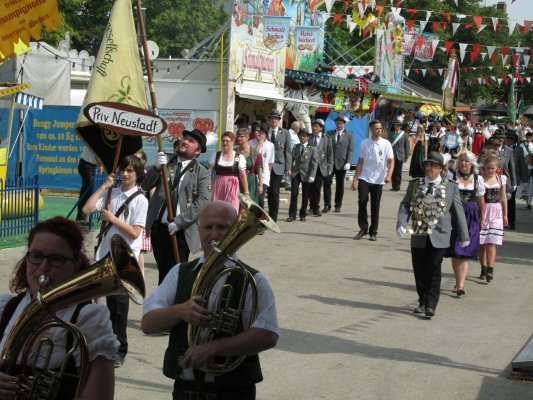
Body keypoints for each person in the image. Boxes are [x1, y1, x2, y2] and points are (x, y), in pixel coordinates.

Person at [141, 201, 279, 400]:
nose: (214, 234)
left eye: (222, 227)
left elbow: (267, 334)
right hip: (185, 389)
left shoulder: (254, 280)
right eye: (208, 227)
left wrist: (213, 348)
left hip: (234, 391)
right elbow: (147, 324)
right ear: (199, 230)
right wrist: (180, 311)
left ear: (235, 230)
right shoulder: (180, 273)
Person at [0, 217, 118, 399]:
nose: (43, 267)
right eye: (36, 256)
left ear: (76, 265)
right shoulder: (6, 307)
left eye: (56, 259)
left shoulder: (88, 318)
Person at [83, 155, 148, 367]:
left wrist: (112, 219)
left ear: (138, 174)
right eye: (123, 170)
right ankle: (97, 343)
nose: (126, 174)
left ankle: (120, 348)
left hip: (124, 258)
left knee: (118, 306)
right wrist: (104, 186)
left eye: (130, 171)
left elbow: (135, 232)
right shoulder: (112, 193)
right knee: (95, 301)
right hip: (104, 254)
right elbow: (87, 209)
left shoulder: (141, 200)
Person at [396, 152, 469, 318]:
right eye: (427, 165)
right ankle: (422, 300)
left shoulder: (451, 186)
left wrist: (464, 235)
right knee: (419, 269)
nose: (429, 168)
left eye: (433, 165)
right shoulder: (415, 184)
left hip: (440, 234)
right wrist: (401, 223)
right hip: (419, 233)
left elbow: (458, 211)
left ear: (441, 169)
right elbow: (405, 204)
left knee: (434, 268)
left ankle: (431, 305)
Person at [143, 130, 210, 284]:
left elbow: (202, 201)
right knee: (163, 272)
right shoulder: (166, 164)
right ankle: (162, 298)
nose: (185, 141)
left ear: (198, 151)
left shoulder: (202, 171)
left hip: (181, 230)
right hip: (159, 228)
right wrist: (156, 168)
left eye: (191, 141)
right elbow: (145, 185)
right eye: (185, 138)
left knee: (175, 275)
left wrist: (179, 222)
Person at [445, 151, 485, 296]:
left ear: (472, 163)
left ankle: (461, 285)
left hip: (471, 217)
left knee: (465, 252)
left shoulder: (477, 179)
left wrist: (482, 219)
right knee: (455, 252)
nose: (463, 163)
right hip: (455, 216)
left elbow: (481, 200)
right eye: (461, 160)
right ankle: (458, 282)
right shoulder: (452, 176)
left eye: (466, 161)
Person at [351, 120, 394, 242]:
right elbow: (360, 161)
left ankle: (373, 231)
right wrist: (355, 179)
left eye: (380, 128)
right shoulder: (364, 143)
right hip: (365, 177)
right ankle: (363, 228)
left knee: (375, 205)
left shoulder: (386, 143)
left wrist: (389, 175)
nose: (379, 130)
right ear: (371, 130)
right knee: (362, 201)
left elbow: (391, 161)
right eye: (376, 128)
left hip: (378, 179)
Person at [479, 153, 508, 283]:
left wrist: (505, 215)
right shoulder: (480, 179)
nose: (491, 171)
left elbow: (503, 197)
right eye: (488, 168)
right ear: (484, 168)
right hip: (483, 211)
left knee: (492, 241)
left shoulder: (501, 179)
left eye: (493, 168)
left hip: (496, 211)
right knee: (482, 242)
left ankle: (490, 268)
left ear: (496, 168)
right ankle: (483, 267)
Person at [210, 131, 249, 211]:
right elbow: (209, 172)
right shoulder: (216, 156)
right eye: (223, 141)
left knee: (232, 209)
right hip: (218, 187)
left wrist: (246, 192)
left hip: (233, 188)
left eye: (227, 141)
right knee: (217, 210)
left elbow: (243, 176)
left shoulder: (239, 157)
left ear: (232, 142)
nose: (225, 143)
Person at [323, 114, 354, 213]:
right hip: (330, 163)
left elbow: (350, 150)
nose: (339, 125)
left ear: (344, 124)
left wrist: (348, 162)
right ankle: (327, 204)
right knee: (327, 182)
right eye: (337, 124)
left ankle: (338, 205)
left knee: (340, 185)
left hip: (342, 163)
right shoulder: (330, 133)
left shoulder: (349, 135)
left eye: (341, 124)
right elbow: (325, 148)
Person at [485, 130, 516, 228]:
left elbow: (511, 167)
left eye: (503, 138)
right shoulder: (487, 149)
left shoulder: (508, 150)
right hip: (489, 179)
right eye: (499, 137)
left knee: (505, 201)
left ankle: (508, 221)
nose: (501, 139)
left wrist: (514, 182)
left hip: (504, 180)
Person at [286, 130, 318, 222]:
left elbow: (314, 162)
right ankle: (292, 215)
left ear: (308, 137)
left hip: (307, 174)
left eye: (304, 136)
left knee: (305, 195)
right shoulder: (296, 147)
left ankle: (302, 214)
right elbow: (291, 159)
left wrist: (312, 175)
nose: (302, 137)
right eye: (300, 136)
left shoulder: (312, 148)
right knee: (294, 193)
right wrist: (289, 169)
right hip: (296, 172)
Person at [266, 109, 292, 222]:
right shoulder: (265, 132)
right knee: (267, 191)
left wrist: (288, 168)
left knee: (274, 190)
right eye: (272, 118)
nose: (274, 121)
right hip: (266, 166)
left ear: (279, 121)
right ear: (269, 120)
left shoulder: (285, 133)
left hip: (278, 165)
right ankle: (267, 214)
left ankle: (273, 216)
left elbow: (288, 151)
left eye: (276, 119)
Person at [309, 119, 334, 217]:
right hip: (312, 167)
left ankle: (324, 205)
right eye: (313, 126)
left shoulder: (326, 138)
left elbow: (330, 154)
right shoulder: (310, 138)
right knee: (313, 187)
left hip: (323, 166)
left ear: (321, 128)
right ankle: (313, 206)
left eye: (316, 126)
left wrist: (330, 167)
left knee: (323, 186)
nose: (314, 128)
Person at [504, 130, 528, 230]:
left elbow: (522, 165)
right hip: (502, 178)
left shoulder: (519, 150)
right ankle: (503, 221)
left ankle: (511, 221)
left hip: (513, 180)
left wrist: (525, 180)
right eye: (507, 138)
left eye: (511, 138)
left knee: (511, 201)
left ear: (515, 139)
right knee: (502, 201)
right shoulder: (501, 149)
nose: (509, 140)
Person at [250, 123, 274, 211]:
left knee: (260, 198)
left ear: (264, 133)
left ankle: (261, 216)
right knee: (252, 198)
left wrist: (268, 176)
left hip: (264, 176)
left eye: (259, 131)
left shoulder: (270, 145)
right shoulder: (250, 143)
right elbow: (253, 157)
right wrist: (259, 144)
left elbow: (270, 163)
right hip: (253, 174)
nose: (257, 133)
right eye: (256, 131)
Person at [236, 128, 263, 204]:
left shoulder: (255, 152)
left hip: (251, 181)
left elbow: (259, 169)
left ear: (247, 137)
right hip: (237, 180)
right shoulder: (235, 151)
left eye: (242, 136)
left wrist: (260, 185)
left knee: (250, 204)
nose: (239, 138)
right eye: (238, 136)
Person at [76, 145, 99, 223]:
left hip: (92, 166)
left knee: (86, 190)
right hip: (85, 164)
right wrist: (101, 165)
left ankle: (82, 217)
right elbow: (97, 156)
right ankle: (82, 216)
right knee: (90, 190)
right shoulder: (95, 141)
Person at [388, 117, 411, 191]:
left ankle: (397, 185)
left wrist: (406, 156)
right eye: (396, 125)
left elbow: (406, 146)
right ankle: (393, 185)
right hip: (392, 155)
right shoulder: (390, 134)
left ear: (401, 126)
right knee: (392, 170)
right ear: (394, 126)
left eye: (399, 125)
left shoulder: (404, 135)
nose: (397, 126)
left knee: (398, 171)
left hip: (400, 155)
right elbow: (388, 145)